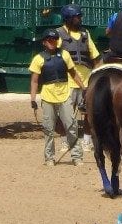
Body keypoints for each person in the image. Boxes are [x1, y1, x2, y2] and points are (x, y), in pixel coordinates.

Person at [29, 29, 86, 166]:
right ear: (44, 42)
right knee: (48, 129)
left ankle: (76, 156)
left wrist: (84, 88)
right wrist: (32, 99)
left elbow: (73, 73)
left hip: (65, 94)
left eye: (54, 39)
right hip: (48, 96)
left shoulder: (65, 55)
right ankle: (49, 157)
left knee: (71, 126)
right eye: (49, 40)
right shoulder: (38, 59)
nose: (52, 42)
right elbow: (34, 81)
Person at [56, 4, 101, 151]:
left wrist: (99, 72)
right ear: (68, 18)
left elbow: (95, 56)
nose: (79, 19)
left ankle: (86, 141)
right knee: (65, 114)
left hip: (86, 80)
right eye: (77, 16)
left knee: (88, 112)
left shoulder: (85, 34)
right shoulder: (59, 34)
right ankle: (65, 140)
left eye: (80, 16)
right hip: (66, 81)